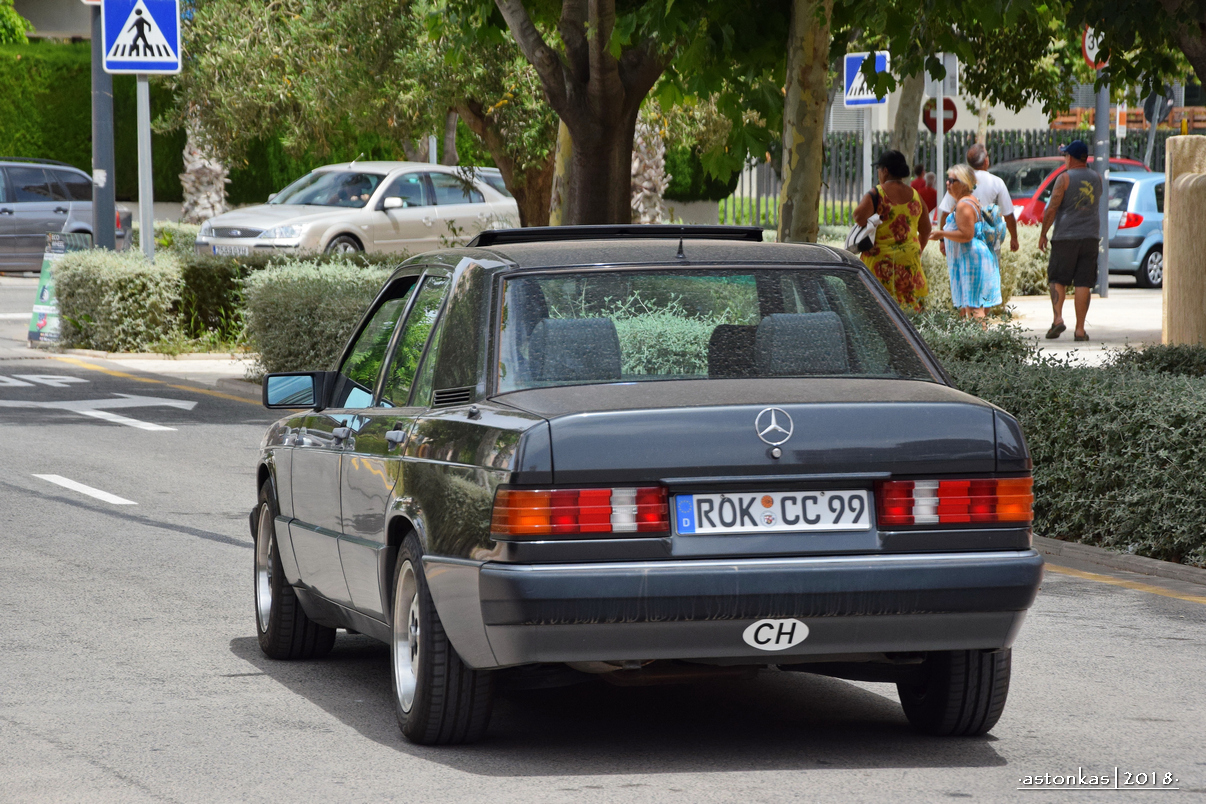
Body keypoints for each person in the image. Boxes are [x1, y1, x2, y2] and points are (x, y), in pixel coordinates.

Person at [852, 149, 932, 312]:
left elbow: (858, 217)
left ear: (885, 171)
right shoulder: (915, 195)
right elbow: (926, 230)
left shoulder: (877, 193)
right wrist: (917, 251)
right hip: (909, 263)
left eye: (879, 169)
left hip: (881, 264)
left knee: (879, 313)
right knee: (909, 315)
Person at [1038, 140, 1101, 341]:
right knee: (1084, 282)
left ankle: (1057, 319)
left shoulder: (1063, 178)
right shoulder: (1097, 178)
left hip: (1065, 237)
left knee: (1057, 279)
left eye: (1065, 155)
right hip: (1090, 236)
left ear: (1071, 157)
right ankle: (1080, 330)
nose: (1064, 159)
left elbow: (1052, 208)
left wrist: (1043, 234)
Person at [930, 164, 1001, 320]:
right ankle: (973, 342)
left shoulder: (963, 205)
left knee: (975, 308)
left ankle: (981, 343)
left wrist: (941, 234)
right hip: (973, 258)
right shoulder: (968, 201)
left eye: (951, 180)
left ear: (963, 183)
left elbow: (966, 235)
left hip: (971, 259)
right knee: (969, 308)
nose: (947, 183)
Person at [937, 143, 1020, 255]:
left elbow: (945, 213)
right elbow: (1009, 215)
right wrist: (1014, 238)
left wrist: (942, 240)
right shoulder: (997, 182)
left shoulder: (959, 181)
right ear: (986, 161)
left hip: (963, 245)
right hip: (989, 245)